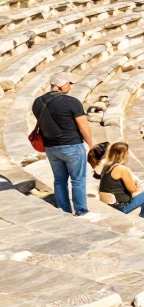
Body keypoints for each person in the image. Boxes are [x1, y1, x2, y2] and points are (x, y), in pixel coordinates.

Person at [32, 72, 94, 216]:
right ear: (60, 85)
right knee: (78, 180)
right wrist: (91, 144)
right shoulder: (71, 102)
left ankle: (63, 210)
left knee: (60, 181)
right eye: (69, 83)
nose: (70, 86)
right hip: (71, 146)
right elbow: (83, 125)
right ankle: (81, 210)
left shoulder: (37, 102)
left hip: (51, 148)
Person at [92, 142, 144, 219]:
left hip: (110, 204)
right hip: (121, 206)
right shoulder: (121, 169)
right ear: (123, 155)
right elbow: (133, 190)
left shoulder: (106, 166)